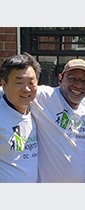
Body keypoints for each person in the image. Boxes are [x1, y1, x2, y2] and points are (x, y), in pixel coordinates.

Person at [31, 58, 85, 182]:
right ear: (61, 77)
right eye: (72, 78)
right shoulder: (43, 97)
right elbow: (11, 91)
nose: (78, 85)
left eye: (84, 81)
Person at [0, 52, 41, 182]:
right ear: (4, 85)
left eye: (31, 82)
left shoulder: (37, 109)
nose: (26, 89)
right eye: (19, 82)